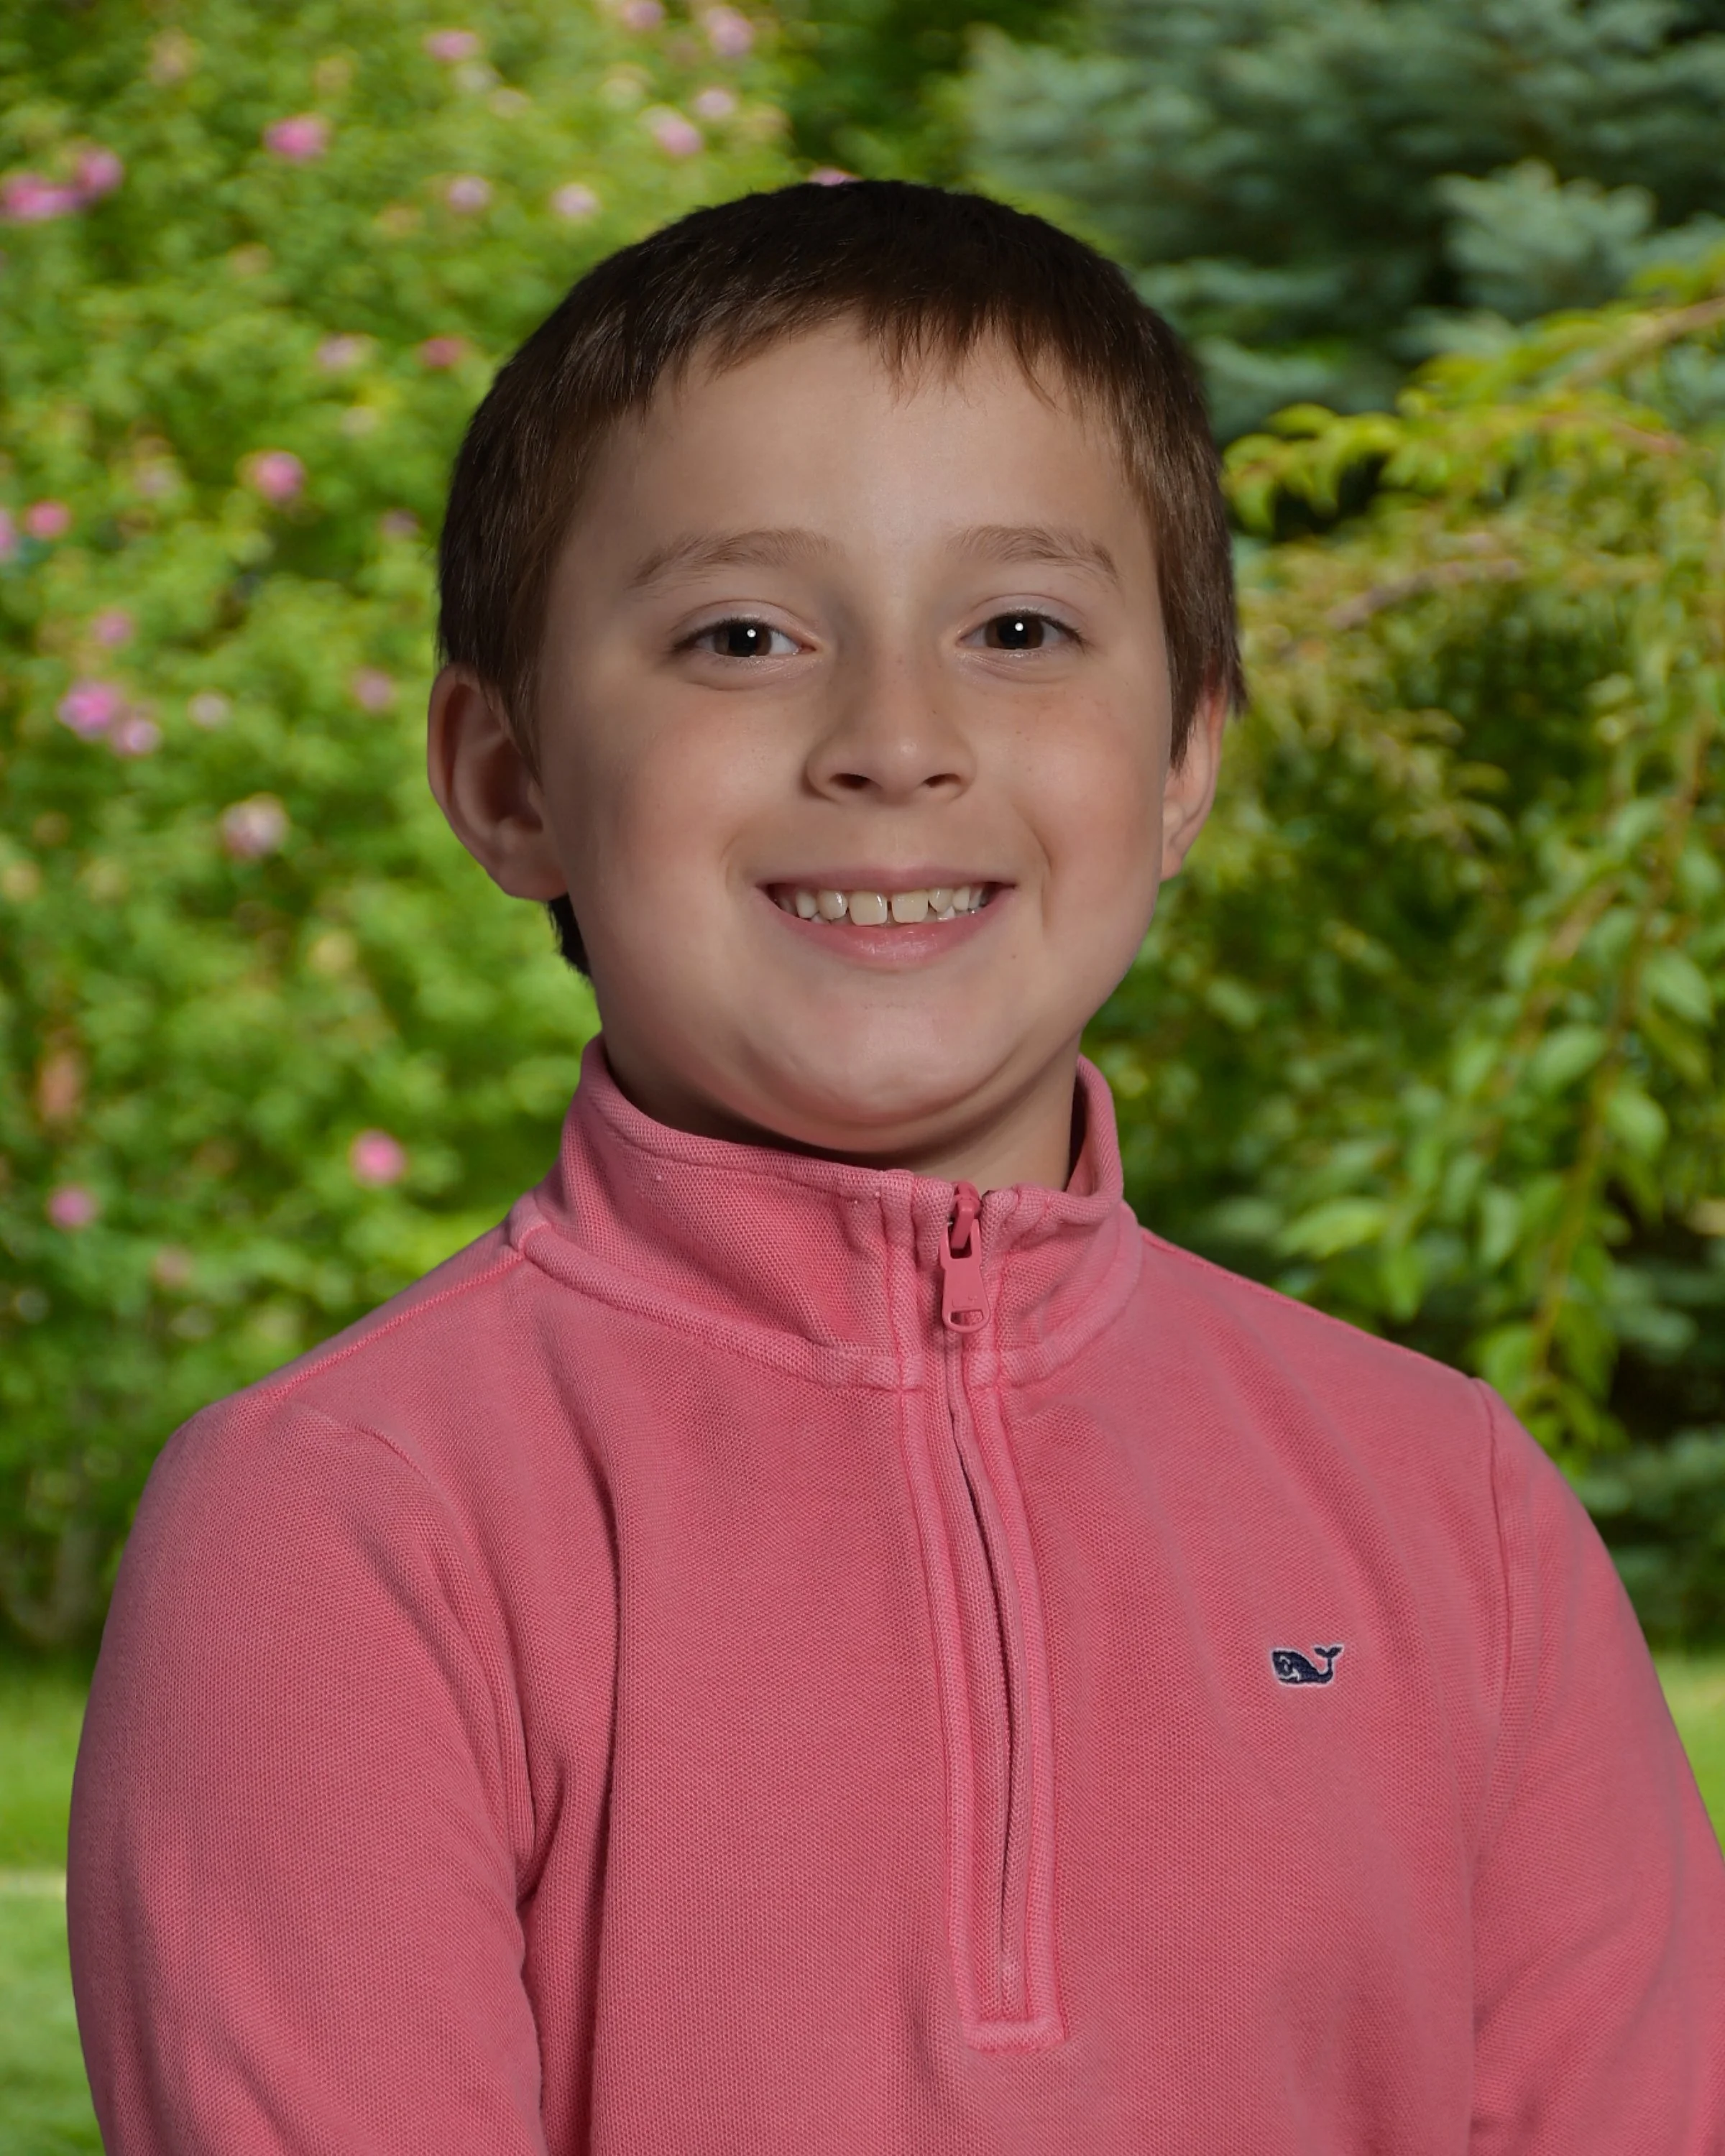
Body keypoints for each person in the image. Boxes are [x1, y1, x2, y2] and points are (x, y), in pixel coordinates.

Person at [68, 179, 1725, 2155]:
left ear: (1187, 756)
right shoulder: (342, 1526)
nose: (896, 739)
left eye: (1018, 627)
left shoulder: (1458, 1514)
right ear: (511, 781)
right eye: (743, 633)